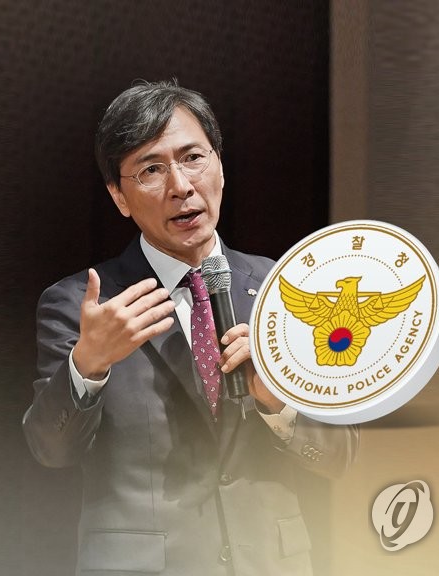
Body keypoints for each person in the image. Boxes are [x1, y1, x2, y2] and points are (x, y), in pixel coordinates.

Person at [22, 80, 359, 576]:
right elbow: (51, 450)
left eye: (193, 158)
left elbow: (338, 456)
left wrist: (279, 403)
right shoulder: (84, 303)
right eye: (151, 170)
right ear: (118, 196)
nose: (180, 186)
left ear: (220, 166)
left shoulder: (285, 290)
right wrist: (87, 366)